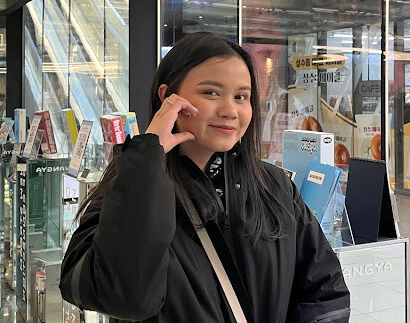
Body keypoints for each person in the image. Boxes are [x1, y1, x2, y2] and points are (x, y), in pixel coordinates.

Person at [60, 32, 350, 323]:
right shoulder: (131, 185)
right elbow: (124, 298)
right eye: (211, 93)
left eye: (241, 97)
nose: (230, 111)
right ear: (168, 97)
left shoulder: (274, 186)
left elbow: (326, 292)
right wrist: (147, 158)